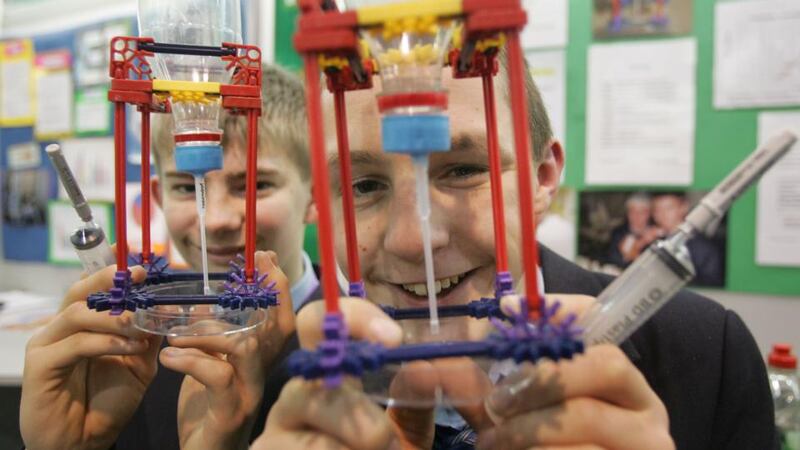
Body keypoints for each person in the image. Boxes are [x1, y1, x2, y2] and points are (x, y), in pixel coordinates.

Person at [254, 51, 775, 449]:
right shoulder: (294, 381)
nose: (414, 240)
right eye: (364, 185)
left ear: (543, 178)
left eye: (462, 170)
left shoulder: (706, 353)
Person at [19, 64, 318, 450]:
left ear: (315, 196)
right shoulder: (130, 352)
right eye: (185, 188)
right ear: (158, 197)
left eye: (257, 185)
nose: (217, 220)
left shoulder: (358, 348)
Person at [651, 192, 725, 287]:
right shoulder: (654, 242)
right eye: (657, 210)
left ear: (683, 208)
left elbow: (711, 284)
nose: (662, 214)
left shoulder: (702, 246)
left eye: (669, 208)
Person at [606, 193, 660, 268]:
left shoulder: (657, 233)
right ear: (627, 213)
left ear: (649, 214)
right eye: (632, 211)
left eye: (642, 212)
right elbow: (615, 260)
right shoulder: (618, 232)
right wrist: (642, 241)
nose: (637, 216)